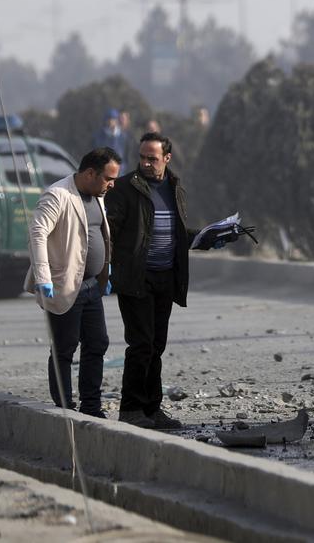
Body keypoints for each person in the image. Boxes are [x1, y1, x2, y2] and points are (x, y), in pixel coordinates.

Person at [106, 132, 203, 429]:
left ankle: (153, 409)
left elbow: (176, 233)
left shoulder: (175, 189)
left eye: (153, 158)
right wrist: (108, 269)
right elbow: (110, 230)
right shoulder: (124, 188)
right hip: (136, 278)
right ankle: (132, 409)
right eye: (143, 158)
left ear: (167, 159)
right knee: (141, 344)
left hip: (165, 277)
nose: (147, 163)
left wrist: (205, 237)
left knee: (157, 345)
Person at [26, 147, 122, 418]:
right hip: (63, 285)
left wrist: (106, 267)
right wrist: (42, 277)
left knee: (98, 343)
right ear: (90, 173)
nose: (112, 184)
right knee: (65, 347)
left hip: (92, 285)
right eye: (108, 178)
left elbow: (98, 233)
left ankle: (91, 407)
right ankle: (66, 409)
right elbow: (37, 232)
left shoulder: (97, 195)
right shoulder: (58, 195)